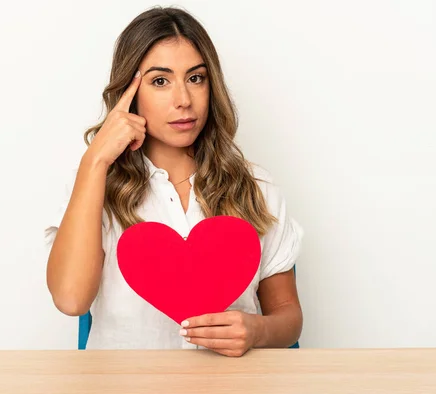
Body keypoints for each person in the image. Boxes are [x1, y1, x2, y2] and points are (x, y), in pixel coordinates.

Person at [45, 6, 304, 357]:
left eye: (196, 78)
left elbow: (288, 316)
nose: (184, 100)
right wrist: (96, 161)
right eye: (160, 81)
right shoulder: (95, 186)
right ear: (130, 93)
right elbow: (71, 298)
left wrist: (257, 331)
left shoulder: (257, 187)